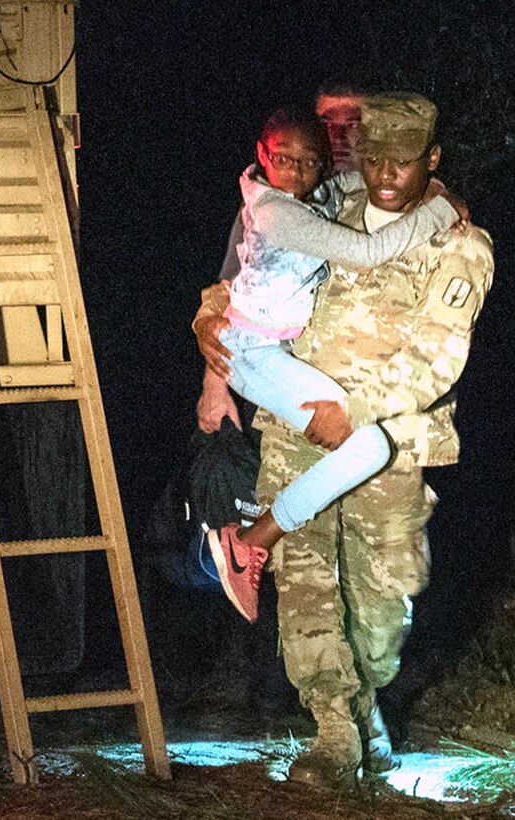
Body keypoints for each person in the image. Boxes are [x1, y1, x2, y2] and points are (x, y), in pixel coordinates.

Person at [194, 91, 494, 787]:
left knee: (383, 604)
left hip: (387, 439)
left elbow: (437, 359)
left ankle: (368, 715)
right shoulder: (325, 210)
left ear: (432, 160)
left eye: (405, 158)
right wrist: (207, 322)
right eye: (374, 152)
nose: (385, 170)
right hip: (298, 430)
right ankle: (334, 731)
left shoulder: (459, 243)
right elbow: (246, 274)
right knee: (305, 586)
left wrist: (349, 412)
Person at [203, 107, 463, 624]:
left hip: (265, 348)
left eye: (309, 161)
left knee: (368, 449)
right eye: (284, 159)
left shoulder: (315, 192)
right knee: (368, 444)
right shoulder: (277, 211)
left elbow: (353, 180)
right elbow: (365, 252)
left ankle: (251, 541)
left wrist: (429, 183)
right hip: (251, 354)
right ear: (261, 155)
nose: (297, 170)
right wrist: (443, 206)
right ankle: (248, 542)